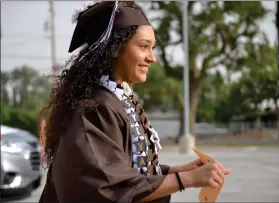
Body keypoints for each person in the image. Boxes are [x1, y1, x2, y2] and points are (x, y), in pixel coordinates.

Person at [39, 1, 231, 203]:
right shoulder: (94, 108)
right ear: (115, 48)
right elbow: (106, 186)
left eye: (153, 48)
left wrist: (177, 171)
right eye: (143, 46)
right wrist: (187, 179)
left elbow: (127, 169)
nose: (152, 58)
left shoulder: (117, 98)